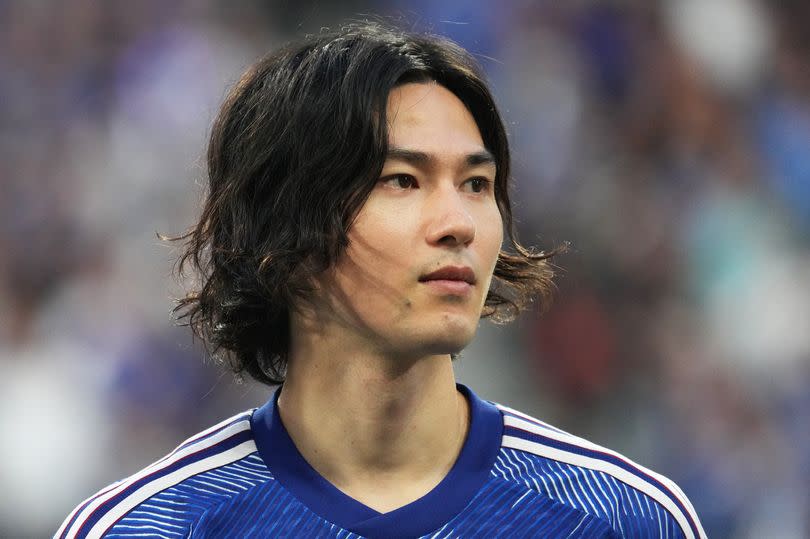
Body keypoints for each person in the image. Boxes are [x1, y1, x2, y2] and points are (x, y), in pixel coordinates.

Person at [56, 22, 706, 539]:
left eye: (476, 185)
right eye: (403, 179)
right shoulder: (148, 527)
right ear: (289, 223)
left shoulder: (624, 519)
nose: (458, 223)